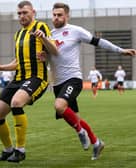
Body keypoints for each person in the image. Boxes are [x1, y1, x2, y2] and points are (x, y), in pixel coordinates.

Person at [43, 2, 136, 160]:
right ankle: (96, 142)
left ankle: (81, 133)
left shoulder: (75, 31)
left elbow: (99, 42)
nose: (56, 18)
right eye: (54, 15)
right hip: (58, 83)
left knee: (59, 106)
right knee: (74, 118)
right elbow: (47, 60)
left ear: (67, 15)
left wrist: (121, 51)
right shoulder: (48, 35)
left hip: (73, 79)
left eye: (60, 15)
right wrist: (43, 58)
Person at [0, 0, 58, 163]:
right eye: (19, 13)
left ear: (33, 12)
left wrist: (45, 40)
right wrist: (1, 67)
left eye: (25, 12)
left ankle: (20, 150)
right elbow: (18, 62)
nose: (22, 16)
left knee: (16, 102)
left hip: (36, 78)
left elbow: (55, 51)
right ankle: (8, 150)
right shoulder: (18, 34)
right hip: (18, 79)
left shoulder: (41, 27)